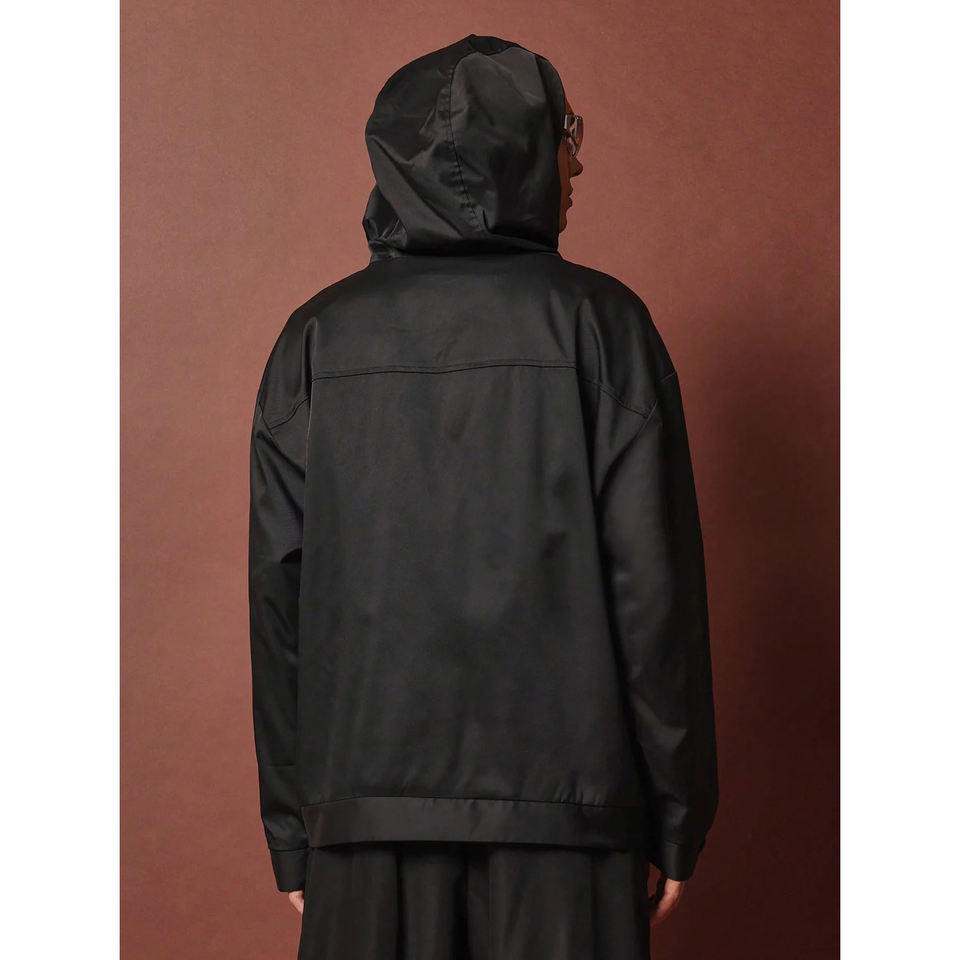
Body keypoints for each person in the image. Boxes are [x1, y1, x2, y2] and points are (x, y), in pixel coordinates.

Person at [248, 33, 719, 960]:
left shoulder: (315, 338)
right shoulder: (604, 327)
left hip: (365, 818)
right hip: (571, 821)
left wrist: (295, 831)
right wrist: (676, 816)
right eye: (567, 136)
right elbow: (655, 594)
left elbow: (280, 604)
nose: (579, 164)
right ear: (523, 153)